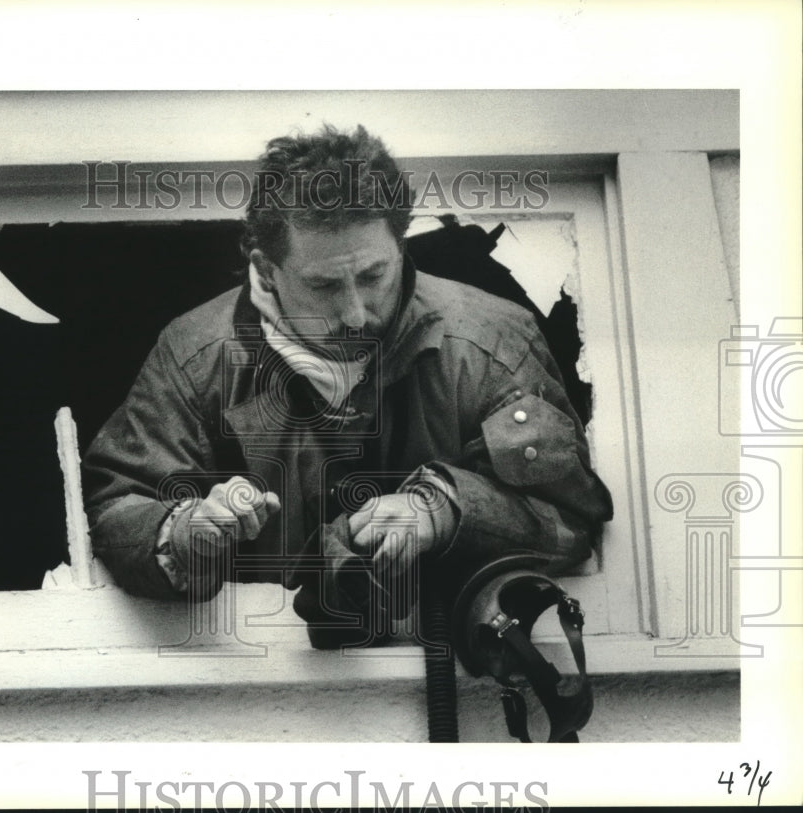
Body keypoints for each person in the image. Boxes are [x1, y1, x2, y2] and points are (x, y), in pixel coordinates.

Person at [82, 124, 613, 645]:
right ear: (267, 269)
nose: (356, 314)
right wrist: (183, 533)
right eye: (325, 285)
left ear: (400, 244)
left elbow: (570, 518)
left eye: (373, 276)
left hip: (451, 673)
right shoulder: (194, 353)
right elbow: (117, 506)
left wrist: (448, 510)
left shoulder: (491, 339)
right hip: (264, 675)